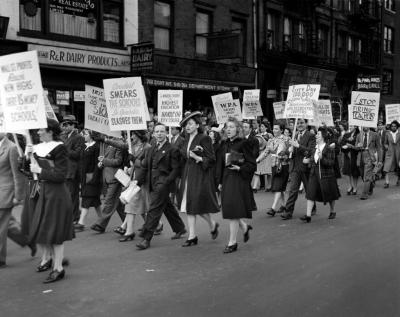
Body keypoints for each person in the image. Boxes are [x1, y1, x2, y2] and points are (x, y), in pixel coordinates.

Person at [27, 119, 74, 283]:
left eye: (41, 130)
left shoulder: (60, 148)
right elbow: (32, 173)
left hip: (57, 195)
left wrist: (39, 170)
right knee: (44, 231)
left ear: (50, 131)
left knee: (55, 233)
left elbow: (60, 176)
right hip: (44, 192)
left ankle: (58, 268)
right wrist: (27, 160)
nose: (38, 132)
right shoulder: (36, 148)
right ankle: (52, 261)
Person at [136, 123, 187, 250]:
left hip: (163, 183)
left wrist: (166, 182)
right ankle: (180, 228)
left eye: (162, 131)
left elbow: (176, 169)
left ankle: (146, 238)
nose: (159, 134)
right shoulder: (151, 148)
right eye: (157, 131)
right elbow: (145, 167)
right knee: (167, 206)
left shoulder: (172, 149)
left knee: (153, 209)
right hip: (152, 183)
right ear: (153, 134)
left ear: (166, 133)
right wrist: (137, 182)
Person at [177, 112, 220, 247]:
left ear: (197, 125)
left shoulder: (204, 138)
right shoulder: (184, 140)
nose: (187, 127)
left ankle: (210, 225)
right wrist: (188, 154)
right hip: (187, 175)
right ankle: (193, 235)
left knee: (195, 204)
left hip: (200, 175)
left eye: (190, 124)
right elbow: (182, 155)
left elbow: (212, 159)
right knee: (190, 205)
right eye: (185, 125)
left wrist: (198, 158)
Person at [217, 117, 256, 254]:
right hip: (227, 180)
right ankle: (244, 227)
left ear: (238, 129)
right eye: (227, 127)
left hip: (238, 180)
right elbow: (220, 165)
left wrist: (240, 168)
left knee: (233, 211)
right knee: (230, 210)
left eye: (231, 127)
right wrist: (220, 182)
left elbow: (252, 164)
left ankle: (232, 242)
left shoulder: (244, 143)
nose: (228, 129)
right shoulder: (223, 144)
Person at [301, 127, 341, 222]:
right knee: (310, 193)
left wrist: (322, 158)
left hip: (326, 174)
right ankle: (308, 216)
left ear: (323, 136)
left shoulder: (329, 148)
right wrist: (307, 160)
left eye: (318, 134)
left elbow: (331, 163)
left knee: (330, 194)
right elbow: (312, 159)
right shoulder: (314, 147)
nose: (316, 136)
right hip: (314, 173)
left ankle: (332, 211)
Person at [281, 119, 316, 220]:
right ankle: (288, 211)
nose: (299, 125)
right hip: (295, 167)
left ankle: (312, 207)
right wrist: (288, 151)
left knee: (309, 190)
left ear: (306, 124)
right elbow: (291, 152)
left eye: (302, 123)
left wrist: (298, 146)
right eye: (298, 123)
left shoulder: (311, 135)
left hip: (305, 167)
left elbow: (310, 151)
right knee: (293, 190)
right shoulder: (294, 135)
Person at [0, 133, 25, 268]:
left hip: (5, 192)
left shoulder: (12, 147)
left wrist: (17, 195)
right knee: (8, 225)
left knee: (1, 226)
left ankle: (0, 259)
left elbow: (17, 174)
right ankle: (28, 240)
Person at [90, 138, 125, 233]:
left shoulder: (119, 143)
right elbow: (105, 159)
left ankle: (100, 223)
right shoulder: (106, 143)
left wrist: (104, 161)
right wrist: (101, 163)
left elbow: (118, 161)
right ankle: (126, 223)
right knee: (118, 204)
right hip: (107, 177)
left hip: (115, 177)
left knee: (109, 201)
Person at [74, 130, 103, 232]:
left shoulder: (97, 147)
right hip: (83, 176)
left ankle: (81, 222)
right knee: (95, 200)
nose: (83, 136)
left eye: (85, 134)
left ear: (91, 136)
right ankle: (102, 220)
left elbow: (97, 163)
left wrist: (95, 177)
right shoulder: (84, 146)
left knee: (86, 197)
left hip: (92, 176)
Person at [261, 123, 290, 216]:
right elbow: (266, 152)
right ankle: (284, 205)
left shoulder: (286, 139)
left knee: (278, 186)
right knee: (280, 187)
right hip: (274, 165)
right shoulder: (271, 140)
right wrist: (257, 160)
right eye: (273, 128)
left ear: (281, 130)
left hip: (283, 165)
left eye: (276, 129)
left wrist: (285, 155)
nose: (274, 130)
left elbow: (291, 151)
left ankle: (273, 208)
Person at [60, 115, 85, 223]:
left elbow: (77, 154)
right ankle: (72, 214)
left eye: (66, 125)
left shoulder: (79, 137)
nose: (64, 127)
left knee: (73, 195)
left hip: (73, 171)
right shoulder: (62, 136)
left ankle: (75, 217)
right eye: (63, 124)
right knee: (66, 195)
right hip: (63, 170)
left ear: (73, 125)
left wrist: (64, 148)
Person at [356, 127, 383, 200]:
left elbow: (379, 147)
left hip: (370, 156)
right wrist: (358, 146)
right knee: (362, 174)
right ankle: (370, 185)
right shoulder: (359, 135)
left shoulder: (375, 135)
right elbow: (356, 147)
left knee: (367, 176)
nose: (365, 126)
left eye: (366, 125)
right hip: (360, 156)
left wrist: (380, 160)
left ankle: (364, 194)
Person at [340, 125, 360, 195]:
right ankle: (350, 186)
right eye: (350, 126)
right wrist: (346, 145)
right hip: (347, 155)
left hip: (355, 155)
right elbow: (341, 144)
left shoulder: (359, 135)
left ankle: (355, 187)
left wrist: (351, 145)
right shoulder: (346, 134)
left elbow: (359, 145)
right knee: (347, 171)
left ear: (356, 127)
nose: (350, 127)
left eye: (352, 126)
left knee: (355, 172)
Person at [383, 120, 400, 188]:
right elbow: (384, 143)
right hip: (390, 152)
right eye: (392, 126)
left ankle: (398, 180)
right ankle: (387, 182)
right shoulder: (387, 133)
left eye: (395, 126)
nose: (393, 127)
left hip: (398, 152)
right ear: (390, 127)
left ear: (397, 127)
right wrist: (386, 146)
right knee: (386, 167)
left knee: (398, 167)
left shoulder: (399, 133)